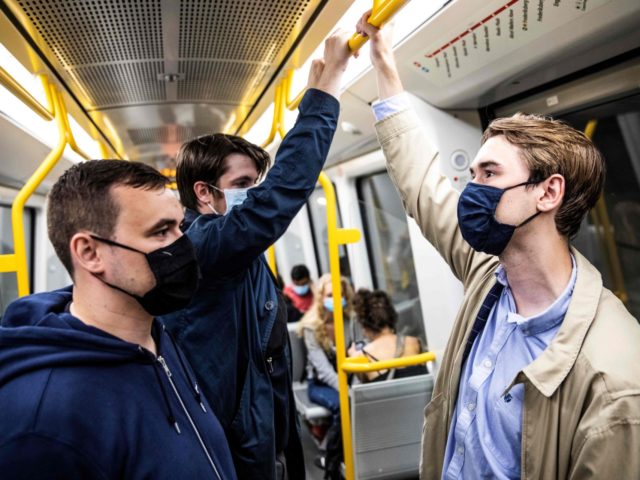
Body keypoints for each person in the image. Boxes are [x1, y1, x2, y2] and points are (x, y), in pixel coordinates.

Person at [357, 12, 640, 480]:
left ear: (548, 193)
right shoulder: (488, 273)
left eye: (489, 175)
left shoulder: (615, 378)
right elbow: (423, 188)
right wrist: (385, 68)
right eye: (473, 176)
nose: (472, 191)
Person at [159, 30, 353, 479]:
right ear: (204, 193)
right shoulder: (202, 247)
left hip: (264, 425)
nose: (255, 196)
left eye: (255, 185)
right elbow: (279, 198)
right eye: (244, 186)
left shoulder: (237, 251)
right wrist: (326, 94)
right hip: (233, 442)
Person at [0, 160, 236, 479]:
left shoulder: (154, 335)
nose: (184, 245)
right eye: (160, 231)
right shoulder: (44, 424)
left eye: (180, 227)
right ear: (90, 253)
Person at [296, 273, 355, 480]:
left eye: (340, 294)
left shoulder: (350, 321)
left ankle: (350, 457)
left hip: (347, 381)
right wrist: (347, 391)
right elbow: (323, 369)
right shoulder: (311, 327)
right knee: (343, 405)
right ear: (321, 297)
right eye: (331, 295)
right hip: (320, 383)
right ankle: (331, 468)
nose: (336, 299)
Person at [347, 288, 426, 382]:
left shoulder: (362, 357)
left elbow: (366, 387)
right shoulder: (414, 343)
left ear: (365, 326)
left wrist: (353, 356)